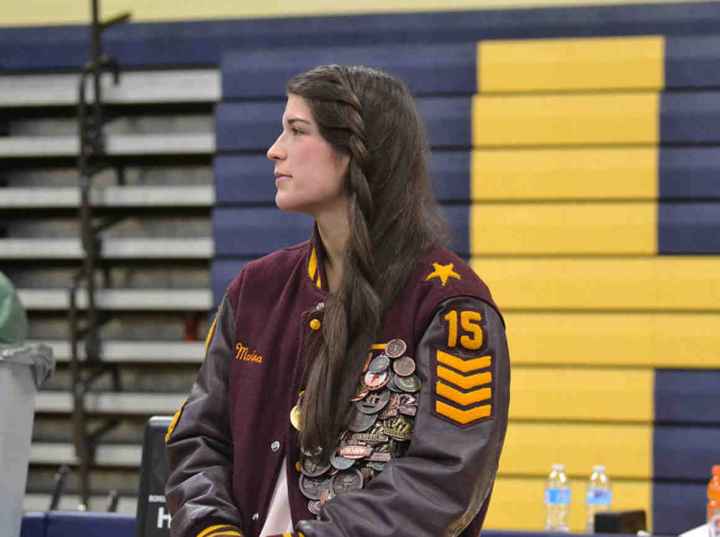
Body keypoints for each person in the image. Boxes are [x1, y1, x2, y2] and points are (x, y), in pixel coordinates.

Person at [165, 64, 510, 537]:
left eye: (296, 130)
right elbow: (198, 439)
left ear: (354, 151)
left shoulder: (451, 306)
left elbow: (447, 478)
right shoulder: (256, 289)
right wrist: (211, 529)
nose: (274, 149)